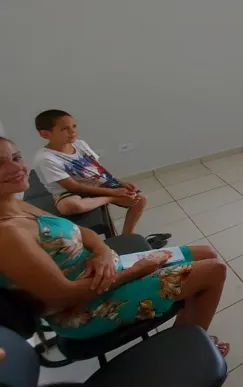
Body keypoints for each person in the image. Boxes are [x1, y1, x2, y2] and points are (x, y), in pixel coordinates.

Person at [0, 135, 230, 355]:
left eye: (16, 157)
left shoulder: (16, 205)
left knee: (206, 253)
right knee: (214, 271)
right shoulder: (7, 234)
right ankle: (186, 349)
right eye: (1, 164)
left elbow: (83, 232)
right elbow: (62, 298)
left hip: (111, 269)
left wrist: (101, 251)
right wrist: (135, 272)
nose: (16, 167)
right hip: (88, 307)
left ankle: (186, 331)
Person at [32, 109, 147, 235]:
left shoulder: (80, 144)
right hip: (70, 192)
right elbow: (74, 187)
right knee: (70, 206)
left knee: (140, 198)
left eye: (74, 126)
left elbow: (99, 168)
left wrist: (120, 183)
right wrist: (113, 194)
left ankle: (127, 235)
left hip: (94, 184)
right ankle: (110, 199)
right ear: (45, 134)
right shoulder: (45, 158)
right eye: (65, 129)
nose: (73, 131)